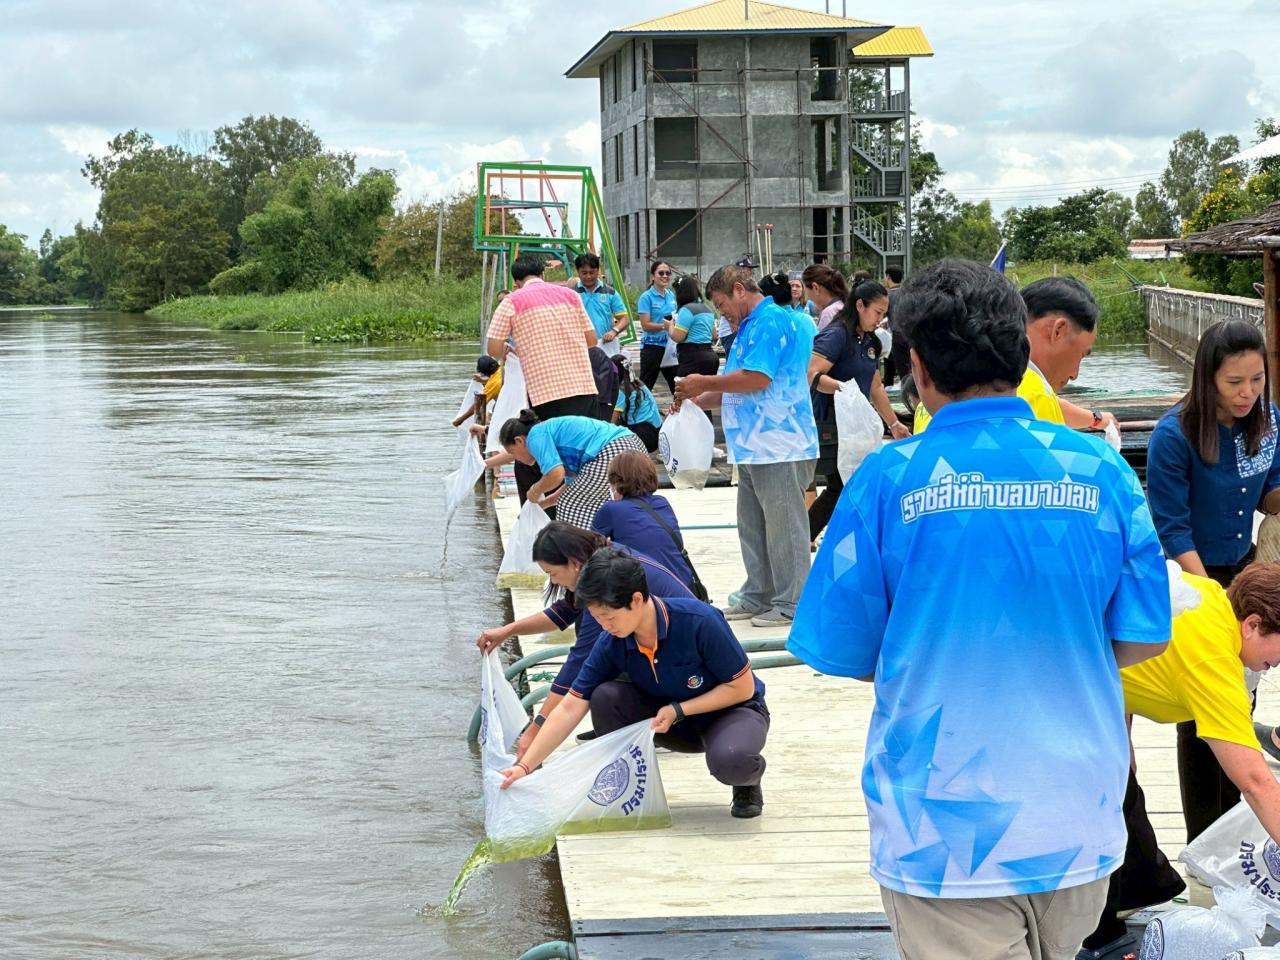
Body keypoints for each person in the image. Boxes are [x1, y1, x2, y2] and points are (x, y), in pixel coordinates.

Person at [787, 258, 1171, 960]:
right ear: (1021, 352)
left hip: (941, 828)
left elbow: (843, 648)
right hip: (1077, 817)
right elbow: (1143, 636)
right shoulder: (1103, 472)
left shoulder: (885, 481)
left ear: (919, 368)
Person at [1084, 563, 1280, 955]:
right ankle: (1094, 937)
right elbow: (1256, 782)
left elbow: (1123, 642)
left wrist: (1122, 737)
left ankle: (1126, 905)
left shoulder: (1209, 595)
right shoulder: (1214, 665)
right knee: (1099, 810)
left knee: (1123, 791)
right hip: (1061, 692)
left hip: (1085, 676)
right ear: (1253, 624)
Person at [499, 548, 770, 819]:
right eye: (597, 618)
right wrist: (524, 767)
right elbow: (570, 707)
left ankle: (746, 783)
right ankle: (628, 787)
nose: (605, 626)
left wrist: (680, 709)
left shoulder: (699, 621)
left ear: (636, 599)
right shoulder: (612, 641)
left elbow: (742, 688)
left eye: (609, 616)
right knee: (605, 697)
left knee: (732, 759)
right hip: (670, 723)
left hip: (730, 712)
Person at [1146, 318, 1280, 839]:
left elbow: (1272, 491)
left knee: (1240, 699)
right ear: (1207, 379)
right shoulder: (1174, 434)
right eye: (1234, 383)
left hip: (1245, 567)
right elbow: (1172, 528)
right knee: (1201, 713)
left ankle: (1237, 825)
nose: (1248, 393)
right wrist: (1214, 598)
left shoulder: (1268, 420)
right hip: (1192, 577)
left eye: (1257, 379)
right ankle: (1207, 837)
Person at [674, 264, 818, 628]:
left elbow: (756, 378)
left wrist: (702, 381)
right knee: (753, 524)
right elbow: (733, 387)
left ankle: (792, 601)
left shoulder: (770, 321)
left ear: (739, 290)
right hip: (755, 446)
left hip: (780, 443)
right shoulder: (748, 327)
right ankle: (759, 592)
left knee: (784, 526)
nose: (722, 313)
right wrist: (694, 399)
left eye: (722, 304)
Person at [476, 524, 695, 759]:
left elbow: (579, 663)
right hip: (661, 649)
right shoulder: (600, 557)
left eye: (552, 573)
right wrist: (508, 631)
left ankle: (629, 730)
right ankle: (618, 726)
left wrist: (537, 728)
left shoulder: (606, 583)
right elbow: (564, 612)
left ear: (573, 562)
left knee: (599, 685)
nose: (555, 582)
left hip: (682, 663)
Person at [486, 255, 600, 506]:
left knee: (537, 458)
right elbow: (592, 340)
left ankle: (538, 515)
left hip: (546, 392)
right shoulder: (572, 296)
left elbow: (493, 347)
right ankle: (582, 512)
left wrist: (510, 347)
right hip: (583, 387)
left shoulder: (512, 302)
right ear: (543, 274)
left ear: (516, 282)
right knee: (579, 455)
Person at [807, 280, 911, 543]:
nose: (880, 319)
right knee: (840, 486)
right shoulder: (836, 335)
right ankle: (805, 537)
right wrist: (843, 390)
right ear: (860, 305)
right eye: (877, 312)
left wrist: (894, 423)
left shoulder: (869, 341)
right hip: (832, 422)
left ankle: (840, 537)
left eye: (884, 313)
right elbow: (811, 373)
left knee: (857, 483)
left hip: (857, 423)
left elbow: (875, 385)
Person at [490, 411, 647, 530]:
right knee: (600, 504)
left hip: (612, 450)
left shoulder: (535, 436)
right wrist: (546, 502)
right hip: (634, 446)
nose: (515, 458)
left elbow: (555, 474)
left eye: (512, 453)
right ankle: (599, 552)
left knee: (569, 506)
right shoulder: (550, 432)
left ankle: (576, 562)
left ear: (519, 440)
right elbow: (572, 483)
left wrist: (535, 490)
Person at [1016, 277, 1117, 432]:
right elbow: (1042, 399)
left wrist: (1097, 419)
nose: (1074, 374)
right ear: (1058, 331)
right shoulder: (1037, 395)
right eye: (1080, 355)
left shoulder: (994, 376)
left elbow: (1055, 405)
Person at [593, 450, 696, 587]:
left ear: (616, 482)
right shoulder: (662, 503)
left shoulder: (611, 509)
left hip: (648, 590)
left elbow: (588, 550)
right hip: (682, 583)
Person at [571, 253, 630, 358]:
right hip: (580, 346)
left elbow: (624, 319)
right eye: (584, 273)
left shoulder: (610, 293)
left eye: (592, 272)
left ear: (598, 271)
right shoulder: (571, 294)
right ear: (578, 272)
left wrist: (614, 331)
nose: (588, 276)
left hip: (605, 345)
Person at [637, 261, 678, 396]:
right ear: (653, 276)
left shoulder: (671, 295)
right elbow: (645, 325)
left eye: (668, 273)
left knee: (676, 385)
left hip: (670, 347)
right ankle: (640, 413)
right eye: (661, 273)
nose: (665, 276)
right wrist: (664, 326)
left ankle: (681, 414)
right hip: (652, 346)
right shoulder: (646, 297)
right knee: (646, 386)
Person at [666, 276, 719, 378]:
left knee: (684, 392)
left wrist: (670, 326)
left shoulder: (687, 310)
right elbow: (714, 336)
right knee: (706, 392)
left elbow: (678, 337)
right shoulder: (707, 309)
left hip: (693, 358)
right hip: (711, 357)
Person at [610, 355, 663, 452]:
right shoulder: (638, 383)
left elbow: (612, 422)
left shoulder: (622, 390)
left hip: (645, 437)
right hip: (657, 431)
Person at [451, 355, 502, 429]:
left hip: (505, 405)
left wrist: (461, 419)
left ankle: (482, 438)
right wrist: (484, 381)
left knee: (486, 419)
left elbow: (478, 404)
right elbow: (497, 382)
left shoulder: (492, 384)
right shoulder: (501, 369)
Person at [802, 263, 848, 331]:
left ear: (815, 288)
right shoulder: (842, 305)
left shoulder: (828, 314)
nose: (807, 296)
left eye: (806, 289)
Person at [882, 264, 906, 386]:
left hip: (896, 336)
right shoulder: (907, 293)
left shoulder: (888, 296)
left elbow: (883, 313)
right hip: (910, 333)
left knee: (897, 368)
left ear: (888, 277)